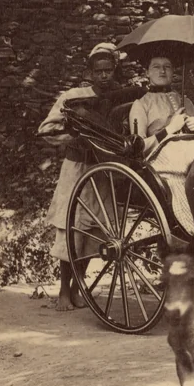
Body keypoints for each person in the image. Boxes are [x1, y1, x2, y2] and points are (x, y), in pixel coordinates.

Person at [38, 42, 121, 311]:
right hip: (76, 170)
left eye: (108, 70)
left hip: (103, 174)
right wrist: (73, 136)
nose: (104, 76)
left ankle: (77, 288)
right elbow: (47, 130)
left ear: (115, 69)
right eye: (99, 71)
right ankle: (63, 290)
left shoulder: (122, 97)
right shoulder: (74, 96)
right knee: (71, 230)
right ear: (90, 72)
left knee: (94, 232)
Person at [128, 52, 194, 154]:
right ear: (147, 73)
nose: (162, 71)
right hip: (163, 159)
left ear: (173, 71)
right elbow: (138, 148)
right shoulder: (140, 105)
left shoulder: (186, 102)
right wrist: (170, 129)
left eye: (167, 67)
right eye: (156, 67)